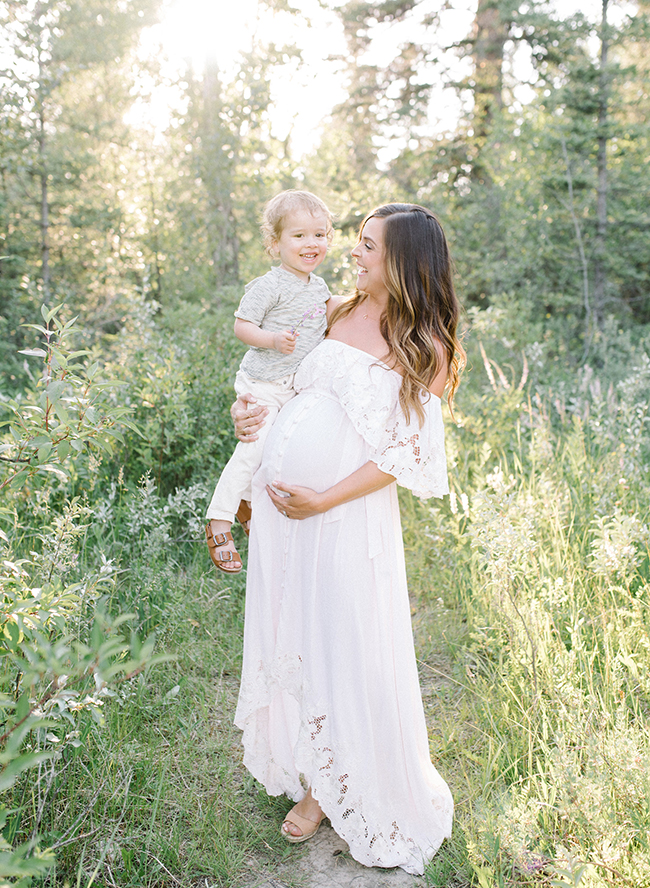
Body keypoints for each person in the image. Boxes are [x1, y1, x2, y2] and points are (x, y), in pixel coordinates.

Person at [231, 204, 464, 874]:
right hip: (284, 518)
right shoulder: (332, 311)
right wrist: (251, 411)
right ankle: (308, 765)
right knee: (295, 631)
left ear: (404, 262)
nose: (352, 254)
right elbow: (281, 385)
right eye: (355, 242)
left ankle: (329, 788)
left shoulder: (427, 347)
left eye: (367, 246)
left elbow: (405, 457)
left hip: (340, 518)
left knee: (342, 638)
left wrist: (323, 497)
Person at [205, 190, 332, 574]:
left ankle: (246, 502)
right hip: (262, 382)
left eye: (320, 234)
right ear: (275, 244)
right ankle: (219, 520)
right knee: (251, 449)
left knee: (275, 453)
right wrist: (273, 340)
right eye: (299, 235)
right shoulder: (269, 285)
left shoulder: (320, 289)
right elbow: (241, 326)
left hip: (291, 387)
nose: (311, 243)